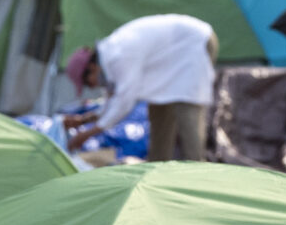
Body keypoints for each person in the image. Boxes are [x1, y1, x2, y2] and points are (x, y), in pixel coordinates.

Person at [66, 14, 219, 162]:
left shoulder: (119, 54)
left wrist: (86, 135)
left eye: (87, 83)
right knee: (159, 114)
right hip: (169, 60)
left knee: (187, 115)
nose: (91, 87)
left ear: (91, 68)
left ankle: (198, 172)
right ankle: (157, 169)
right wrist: (82, 121)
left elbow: (123, 103)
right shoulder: (111, 60)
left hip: (195, 43)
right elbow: (110, 104)